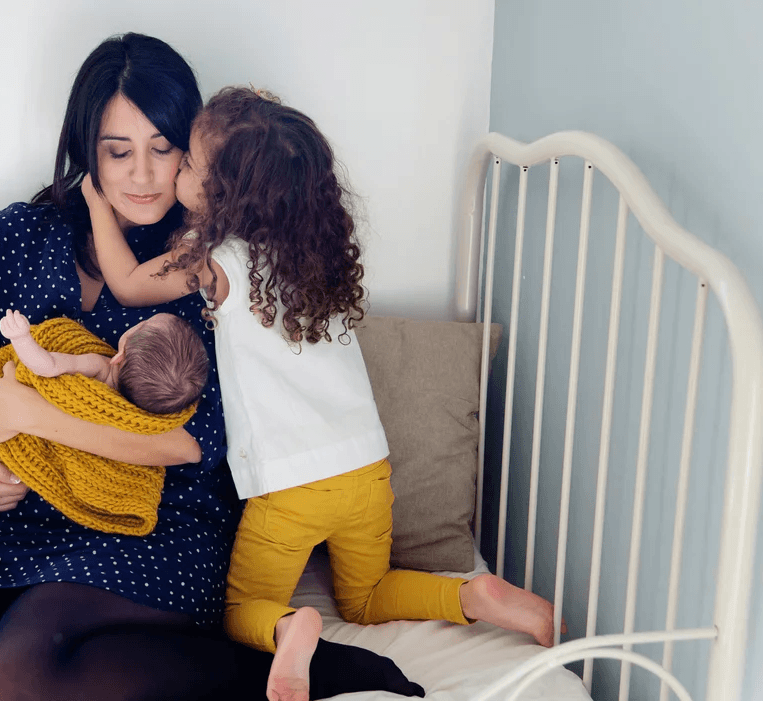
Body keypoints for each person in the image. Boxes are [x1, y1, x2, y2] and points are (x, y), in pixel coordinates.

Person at [0, 34, 423, 701]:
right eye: (117, 150)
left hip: (151, 534)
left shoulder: (209, 264)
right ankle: (69, 672)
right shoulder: (13, 236)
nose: (142, 175)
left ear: (193, 151)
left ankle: (281, 672)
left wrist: (33, 413)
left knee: (13, 684)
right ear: (84, 150)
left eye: (162, 149)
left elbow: (198, 444)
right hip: (19, 528)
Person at [86, 86, 557, 701]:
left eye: (191, 165)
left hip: (292, 487)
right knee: (366, 598)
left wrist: (98, 201)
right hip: (366, 469)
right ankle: (472, 596)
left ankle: (292, 627)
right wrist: (254, 108)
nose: (178, 169)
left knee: (239, 609)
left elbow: (125, 285)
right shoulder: (311, 256)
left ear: (223, 195)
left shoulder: (215, 260)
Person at [0, 309, 209, 531]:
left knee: (3, 477)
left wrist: (22, 339)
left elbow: (47, 366)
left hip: (20, 435)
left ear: (121, 352)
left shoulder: (98, 365)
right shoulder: (137, 414)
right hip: (19, 439)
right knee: (8, 481)